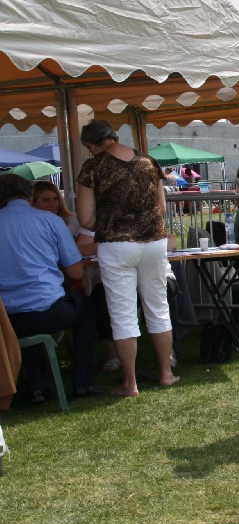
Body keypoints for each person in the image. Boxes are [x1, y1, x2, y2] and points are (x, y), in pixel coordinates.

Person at [76, 119, 179, 397]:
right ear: (115, 136)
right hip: (153, 242)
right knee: (158, 309)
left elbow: (85, 218)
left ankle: (130, 383)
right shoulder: (148, 161)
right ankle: (166, 373)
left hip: (117, 245)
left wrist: (112, 221)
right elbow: (161, 208)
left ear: (90, 145)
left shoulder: (93, 167)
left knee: (123, 316)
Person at [0, 174, 101, 402]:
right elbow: (76, 272)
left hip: (6, 316)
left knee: (25, 322)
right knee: (85, 307)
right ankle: (82, 381)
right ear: (29, 195)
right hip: (47, 310)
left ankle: (37, 386)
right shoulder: (49, 220)